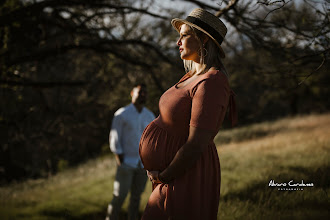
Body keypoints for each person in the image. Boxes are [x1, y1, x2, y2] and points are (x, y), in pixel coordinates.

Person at [139, 8, 237, 220]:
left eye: (184, 35)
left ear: (204, 40)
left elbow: (196, 144)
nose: (178, 42)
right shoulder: (191, 76)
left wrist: (164, 176)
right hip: (171, 177)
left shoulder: (212, 82)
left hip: (185, 176)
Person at [106, 83, 155, 220]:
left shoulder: (149, 115)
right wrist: (120, 159)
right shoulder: (122, 114)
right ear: (132, 93)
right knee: (119, 197)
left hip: (143, 165)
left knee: (136, 198)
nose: (143, 95)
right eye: (140, 92)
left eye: (145, 93)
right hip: (126, 163)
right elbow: (114, 138)